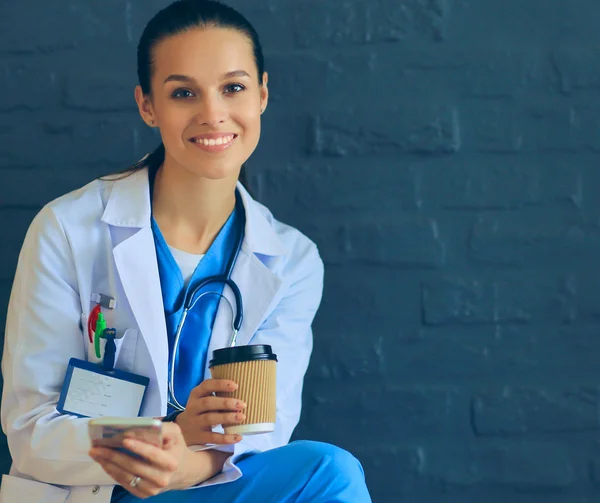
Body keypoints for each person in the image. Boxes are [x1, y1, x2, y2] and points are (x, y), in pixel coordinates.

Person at [0, 1, 372, 502]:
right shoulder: (67, 230)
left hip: (208, 480)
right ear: (147, 105)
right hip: (97, 489)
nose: (213, 113)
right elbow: (31, 430)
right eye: (183, 93)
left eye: (233, 88)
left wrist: (188, 462)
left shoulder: (291, 260)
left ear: (262, 93)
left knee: (329, 471)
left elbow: (267, 424)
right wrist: (158, 437)